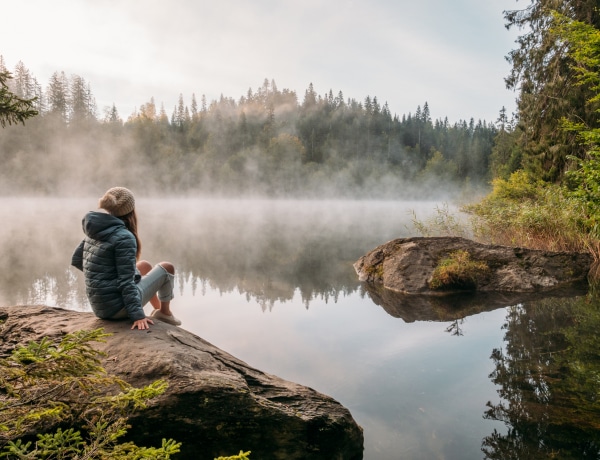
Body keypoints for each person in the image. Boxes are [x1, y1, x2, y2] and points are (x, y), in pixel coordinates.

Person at [71, 186, 181, 330]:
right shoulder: (124, 237)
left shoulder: (95, 229)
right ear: (130, 209)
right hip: (118, 309)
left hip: (100, 306)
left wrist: (103, 278)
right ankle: (165, 313)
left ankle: (158, 310)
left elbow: (77, 259)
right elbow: (126, 282)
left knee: (144, 266)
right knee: (167, 267)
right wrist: (138, 315)